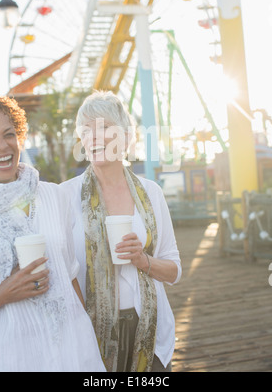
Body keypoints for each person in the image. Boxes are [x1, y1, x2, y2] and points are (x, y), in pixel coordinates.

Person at [0, 94, 105, 372]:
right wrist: (1, 295)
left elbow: (70, 276)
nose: (1, 146)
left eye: (9, 134)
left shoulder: (55, 196)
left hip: (74, 352)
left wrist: (89, 341)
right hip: (14, 358)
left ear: (20, 137)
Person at [61, 90, 182, 372]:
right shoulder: (64, 196)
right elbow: (60, 271)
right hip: (89, 336)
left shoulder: (151, 193)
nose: (94, 137)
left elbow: (175, 270)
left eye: (104, 128)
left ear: (126, 137)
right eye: (86, 130)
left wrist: (144, 261)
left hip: (150, 332)